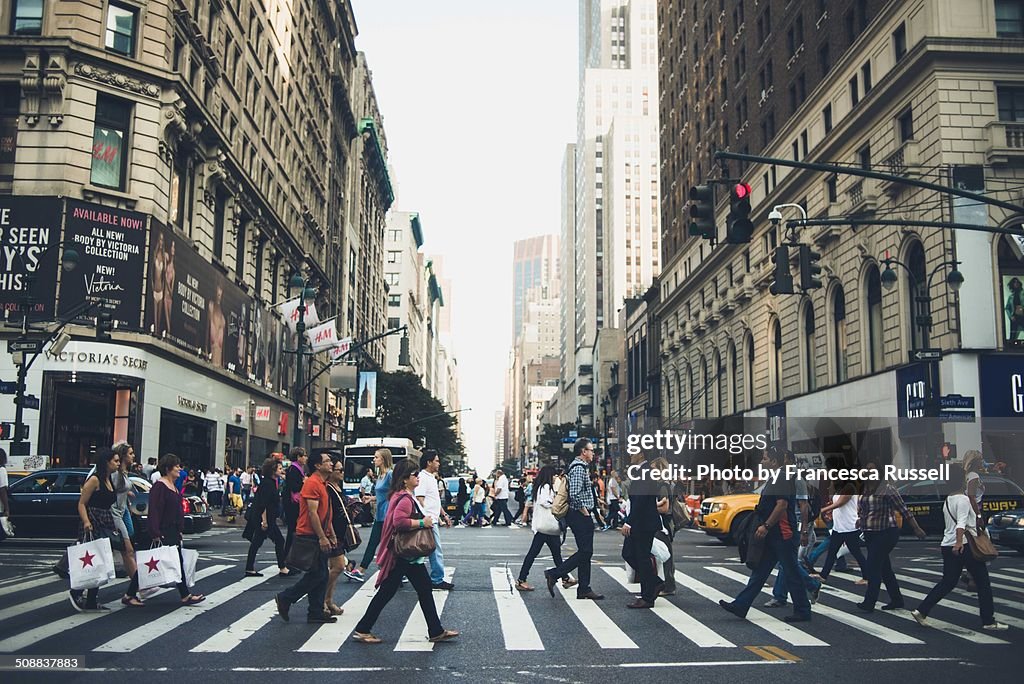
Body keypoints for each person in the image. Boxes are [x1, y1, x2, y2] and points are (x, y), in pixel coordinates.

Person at [351, 459, 459, 644]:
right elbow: (398, 522)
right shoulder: (404, 499)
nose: (417, 477)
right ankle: (363, 629)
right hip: (402, 556)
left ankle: (435, 630)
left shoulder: (405, 495)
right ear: (404, 479)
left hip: (410, 557)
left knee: (423, 590)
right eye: (414, 475)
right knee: (387, 592)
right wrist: (422, 523)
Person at [719, 447, 811, 623]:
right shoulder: (776, 477)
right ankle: (741, 605)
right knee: (760, 572)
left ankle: (803, 609)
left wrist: (766, 526)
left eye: (765, 458)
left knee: (791, 572)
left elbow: (782, 505)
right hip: (774, 535)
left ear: (774, 462)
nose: (762, 461)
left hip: (783, 533)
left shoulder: (782, 477)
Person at [912, 464, 1007, 631]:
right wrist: (958, 542)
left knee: (947, 582)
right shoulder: (963, 500)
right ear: (961, 480)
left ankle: (921, 610)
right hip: (964, 545)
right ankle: (988, 621)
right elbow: (961, 523)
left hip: (947, 545)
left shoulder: (948, 499)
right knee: (983, 583)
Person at [66, 449, 136, 611]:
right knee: (92, 559)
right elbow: (82, 503)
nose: (118, 463)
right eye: (115, 461)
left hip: (106, 520)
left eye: (119, 461)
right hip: (93, 521)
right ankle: (76, 591)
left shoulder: (108, 479)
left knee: (102, 561)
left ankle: (91, 599)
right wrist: (86, 522)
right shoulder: (95, 480)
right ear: (106, 462)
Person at [274, 451, 337, 624]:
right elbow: (312, 513)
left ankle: (315, 611)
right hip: (310, 534)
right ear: (317, 465)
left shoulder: (322, 483)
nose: (331, 463)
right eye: (327, 461)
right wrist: (322, 537)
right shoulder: (312, 483)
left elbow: (326, 512)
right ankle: (287, 597)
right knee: (317, 574)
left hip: (318, 534)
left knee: (321, 574)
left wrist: (330, 533)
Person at [855, 462, 926, 613]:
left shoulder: (887, 488)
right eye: (866, 470)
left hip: (886, 532)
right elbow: (863, 509)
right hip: (870, 532)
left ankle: (869, 602)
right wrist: (860, 519)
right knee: (884, 568)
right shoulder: (865, 489)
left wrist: (916, 528)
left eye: (872, 470)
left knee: (873, 566)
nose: (869, 472)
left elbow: (903, 509)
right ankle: (897, 599)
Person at [544, 438, 604, 601]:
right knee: (586, 551)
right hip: (579, 515)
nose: (593, 453)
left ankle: (584, 588)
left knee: (586, 552)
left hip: (579, 514)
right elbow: (575, 494)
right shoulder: (578, 468)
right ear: (583, 452)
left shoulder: (581, 467)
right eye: (591, 450)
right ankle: (555, 573)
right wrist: (584, 510)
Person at [147, 454, 205, 606]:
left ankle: (185, 595)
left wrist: (180, 529)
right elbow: (154, 511)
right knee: (164, 560)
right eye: (176, 466)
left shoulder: (172, 485)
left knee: (176, 561)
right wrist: (155, 532)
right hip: (164, 530)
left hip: (173, 529)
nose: (180, 469)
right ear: (167, 468)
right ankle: (185, 595)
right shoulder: (160, 486)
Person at [516, 466, 577, 591]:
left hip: (547, 528)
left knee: (555, 555)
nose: (555, 477)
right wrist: (556, 502)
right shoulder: (545, 487)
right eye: (554, 475)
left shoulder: (542, 487)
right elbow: (545, 502)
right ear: (549, 475)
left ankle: (565, 578)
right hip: (546, 527)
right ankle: (521, 580)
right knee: (534, 554)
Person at [620, 452, 664, 609]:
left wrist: (629, 522)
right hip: (641, 522)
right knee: (630, 554)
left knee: (641, 557)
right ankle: (655, 583)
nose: (630, 454)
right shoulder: (641, 471)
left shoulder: (645, 471)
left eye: (633, 451)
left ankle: (647, 597)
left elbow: (641, 499)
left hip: (643, 523)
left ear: (641, 454)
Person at [349, 448, 393, 582]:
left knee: (389, 545)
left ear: (384, 459)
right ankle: (362, 571)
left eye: (376, 457)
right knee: (375, 543)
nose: (373, 460)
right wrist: (371, 498)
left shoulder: (390, 475)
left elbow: (395, 493)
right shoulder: (379, 475)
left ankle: (362, 570)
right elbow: (383, 495)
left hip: (388, 515)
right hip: (379, 514)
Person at [415, 450, 454, 590]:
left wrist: (444, 515)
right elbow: (420, 499)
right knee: (435, 550)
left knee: (422, 550)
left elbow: (434, 500)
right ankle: (437, 579)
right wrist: (426, 518)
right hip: (429, 521)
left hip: (433, 519)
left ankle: (401, 573)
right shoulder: (423, 477)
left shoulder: (431, 477)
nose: (439, 463)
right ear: (429, 462)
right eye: (436, 461)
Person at [110, 443, 143, 607]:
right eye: (130, 453)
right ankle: (137, 587)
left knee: (128, 551)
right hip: (117, 514)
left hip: (124, 512)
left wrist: (127, 493)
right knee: (128, 550)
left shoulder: (123, 473)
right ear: (123, 456)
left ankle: (136, 587)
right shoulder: (115, 474)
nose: (133, 456)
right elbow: (111, 495)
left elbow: (120, 490)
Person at [816, 481, 869, 584]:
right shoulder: (840, 488)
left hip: (849, 527)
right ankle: (823, 575)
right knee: (832, 552)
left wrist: (823, 510)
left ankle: (867, 577)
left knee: (856, 553)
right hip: (839, 527)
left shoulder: (850, 487)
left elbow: (841, 503)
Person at [244, 458, 289, 577]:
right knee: (276, 541)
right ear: (272, 470)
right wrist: (264, 521)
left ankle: (251, 567)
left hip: (269, 519)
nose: (281, 470)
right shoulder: (267, 484)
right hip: (266, 519)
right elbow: (262, 504)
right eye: (279, 468)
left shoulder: (270, 482)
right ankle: (282, 567)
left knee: (258, 542)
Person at [325, 456, 356, 616]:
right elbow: (328, 512)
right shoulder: (328, 488)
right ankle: (324, 600)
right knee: (337, 567)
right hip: (333, 533)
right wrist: (329, 533)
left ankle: (328, 600)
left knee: (334, 567)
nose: (343, 473)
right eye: (340, 470)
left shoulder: (337, 486)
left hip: (340, 532)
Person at [282, 447, 308, 560]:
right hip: (293, 505)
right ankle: (287, 558)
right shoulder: (294, 469)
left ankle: (289, 558)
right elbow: (294, 487)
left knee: (294, 532)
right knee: (292, 532)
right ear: (298, 457)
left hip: (294, 504)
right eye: (304, 455)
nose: (306, 458)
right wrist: (304, 482)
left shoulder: (297, 469)